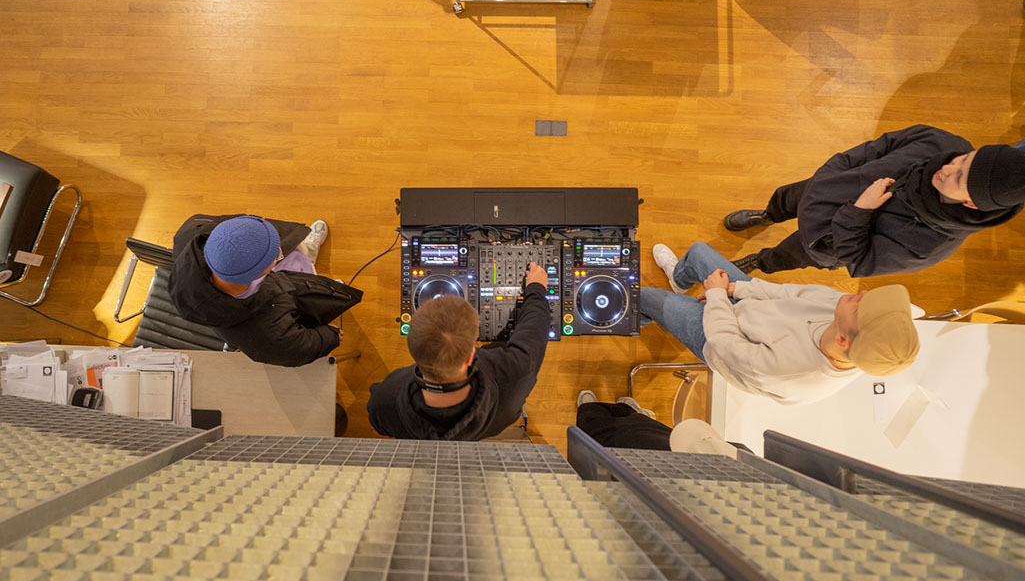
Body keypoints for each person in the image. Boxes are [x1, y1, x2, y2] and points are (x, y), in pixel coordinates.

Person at [722, 126, 1025, 277]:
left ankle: (759, 262)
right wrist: (833, 172)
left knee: (788, 255)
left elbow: (860, 260)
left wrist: (860, 211)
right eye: (964, 160)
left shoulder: (930, 246)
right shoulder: (944, 143)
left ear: (972, 204)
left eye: (959, 178)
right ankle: (768, 215)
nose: (947, 168)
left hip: (823, 241)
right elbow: (880, 146)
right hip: (822, 188)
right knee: (786, 198)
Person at [645, 242, 920, 405]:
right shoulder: (845, 309)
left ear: (842, 340)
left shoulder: (792, 373)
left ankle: (642, 316)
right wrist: (735, 289)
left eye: (862, 307)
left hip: (719, 342)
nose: (862, 294)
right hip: (751, 309)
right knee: (699, 252)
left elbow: (726, 344)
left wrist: (717, 296)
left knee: (645, 298)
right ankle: (678, 281)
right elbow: (790, 293)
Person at [367, 262, 551, 440]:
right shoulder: (514, 375)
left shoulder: (384, 400)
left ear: (413, 353)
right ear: (471, 357)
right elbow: (535, 329)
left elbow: (379, 423)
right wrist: (536, 288)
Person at [168, 214, 362, 367]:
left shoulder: (195, 233)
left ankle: (310, 251)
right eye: (277, 254)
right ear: (257, 273)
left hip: (283, 280)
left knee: (299, 250)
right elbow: (301, 347)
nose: (281, 250)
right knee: (317, 287)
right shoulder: (265, 334)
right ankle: (323, 286)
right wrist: (329, 336)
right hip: (296, 294)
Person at [574, 389, 740, 455]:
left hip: (663, 462)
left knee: (601, 430)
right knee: (645, 427)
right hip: (686, 451)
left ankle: (592, 410)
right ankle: (630, 411)